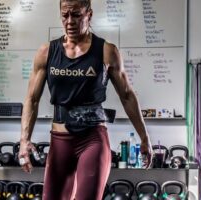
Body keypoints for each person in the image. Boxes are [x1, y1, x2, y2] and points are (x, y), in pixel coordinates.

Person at [18, 0, 153, 199]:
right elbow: (32, 99)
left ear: (89, 14)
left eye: (76, 15)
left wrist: (144, 137)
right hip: (59, 141)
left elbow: (127, 95)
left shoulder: (107, 51)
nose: (69, 21)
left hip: (92, 140)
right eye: (65, 15)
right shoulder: (47, 52)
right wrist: (24, 140)